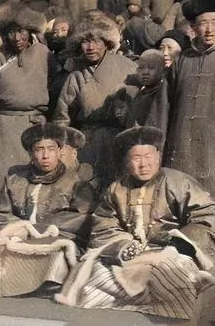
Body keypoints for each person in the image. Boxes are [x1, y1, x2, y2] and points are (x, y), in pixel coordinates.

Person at [56, 126, 215, 320]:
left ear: (158, 156)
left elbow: (206, 215)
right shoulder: (116, 189)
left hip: (173, 251)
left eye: (148, 157)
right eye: (136, 158)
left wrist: (178, 244)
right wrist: (126, 248)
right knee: (95, 274)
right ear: (126, 161)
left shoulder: (179, 182)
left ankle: (170, 305)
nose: (144, 164)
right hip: (130, 253)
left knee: (170, 272)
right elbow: (105, 226)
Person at [0, 123, 98, 251]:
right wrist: (21, 229)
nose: (45, 156)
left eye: (51, 149)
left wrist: (38, 229)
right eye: (39, 149)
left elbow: (83, 221)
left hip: (56, 245)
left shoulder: (77, 184)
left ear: (59, 151)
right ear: (30, 153)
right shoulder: (15, 180)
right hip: (16, 239)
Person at [53, 15, 137, 183]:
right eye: (85, 42)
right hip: (89, 142)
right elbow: (62, 117)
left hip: (121, 139)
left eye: (97, 41)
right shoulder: (76, 76)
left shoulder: (127, 67)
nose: (91, 47)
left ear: (107, 43)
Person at [0, 6, 54, 193]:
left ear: (30, 31)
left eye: (21, 31)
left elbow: (51, 86)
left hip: (35, 124)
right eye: (11, 32)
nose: (16, 38)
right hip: (3, 127)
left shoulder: (44, 55)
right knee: (3, 178)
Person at [166, 0, 215, 196]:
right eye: (203, 23)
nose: (210, 29)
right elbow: (166, 102)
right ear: (193, 28)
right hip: (182, 144)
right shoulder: (181, 60)